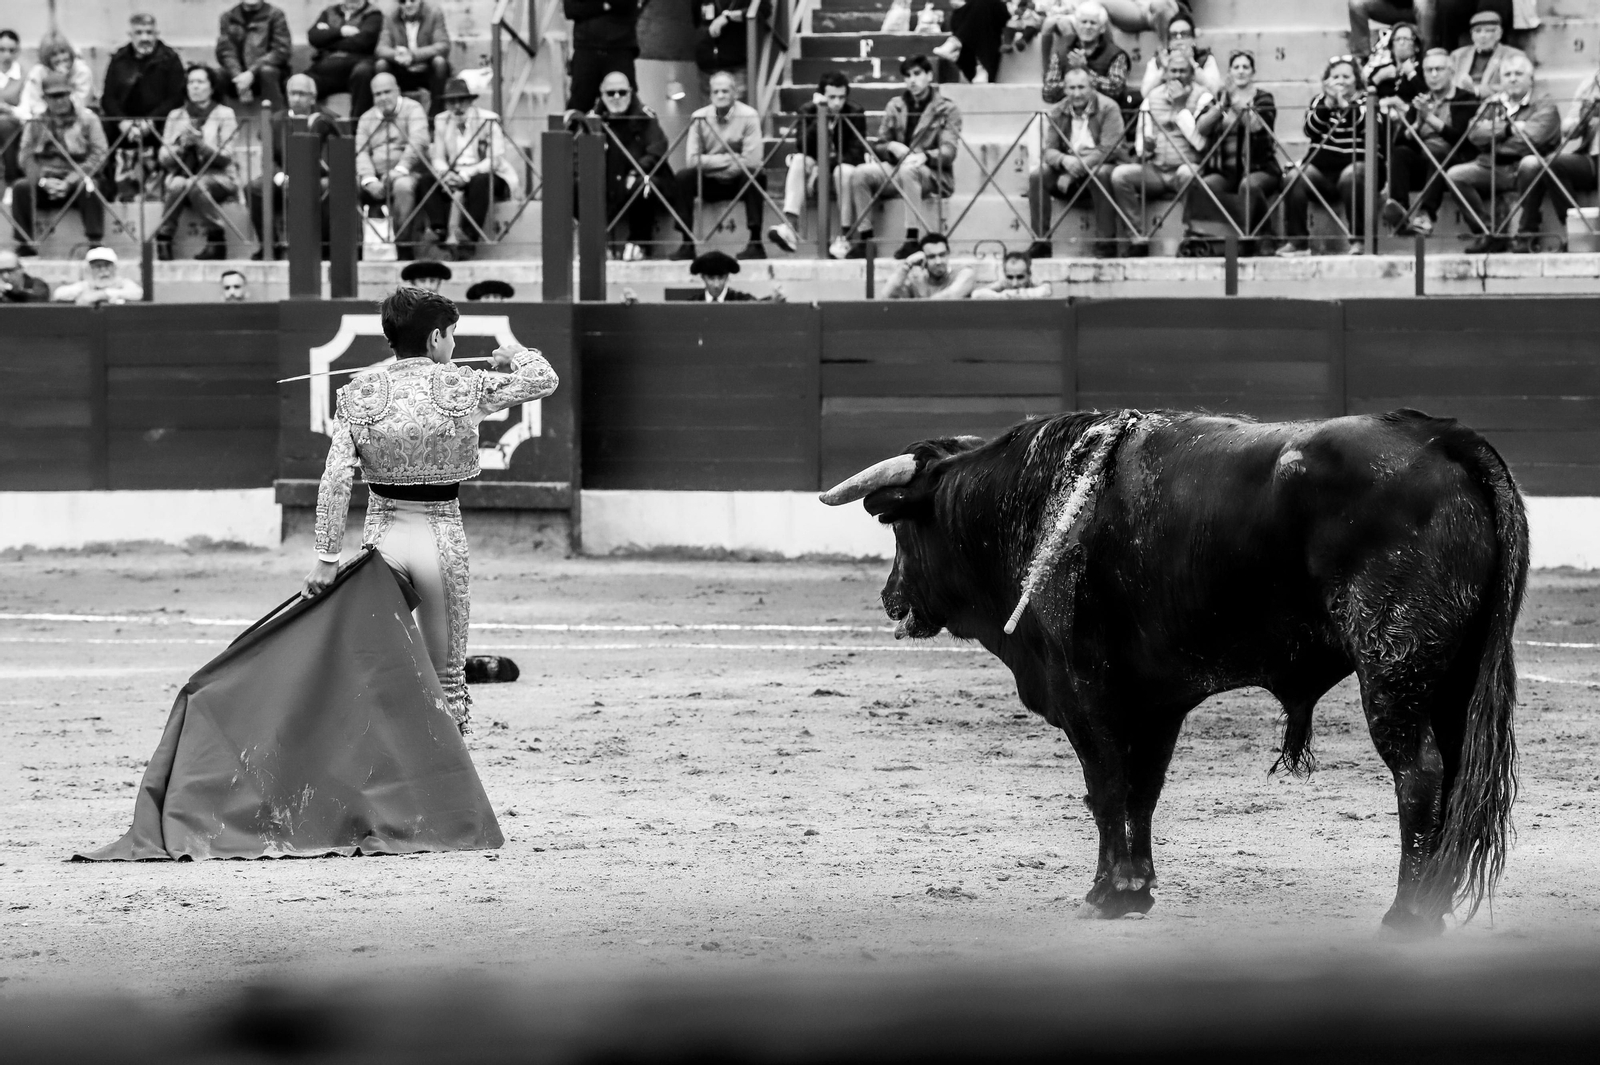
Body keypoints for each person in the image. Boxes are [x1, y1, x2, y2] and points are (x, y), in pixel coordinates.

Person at [305, 285, 559, 730]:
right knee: (449, 682)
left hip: (380, 543)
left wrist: (327, 558)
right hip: (441, 539)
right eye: (452, 334)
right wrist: (516, 354)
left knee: (375, 670)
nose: (454, 344)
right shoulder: (464, 385)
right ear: (435, 337)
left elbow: (337, 478)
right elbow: (544, 379)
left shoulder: (358, 393)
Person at [846, 54, 962, 259]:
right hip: (897, 168)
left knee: (910, 170)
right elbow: (879, 145)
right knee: (860, 173)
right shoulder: (895, 105)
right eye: (907, 76)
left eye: (917, 74)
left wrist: (925, 156)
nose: (912, 80)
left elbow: (949, 151)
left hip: (932, 173)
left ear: (929, 75)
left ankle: (912, 239)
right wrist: (892, 147)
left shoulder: (947, 108)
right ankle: (865, 240)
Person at [1444, 51, 1557, 253]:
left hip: (1524, 166)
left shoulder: (1545, 103)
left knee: (1531, 163)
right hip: (1492, 165)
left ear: (1530, 78)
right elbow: (1473, 133)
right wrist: (1508, 130)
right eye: (1507, 74)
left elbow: (1532, 140)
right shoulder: (1493, 102)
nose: (1512, 78)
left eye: (1518, 74)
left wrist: (1492, 139)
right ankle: (1487, 232)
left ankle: (1527, 234)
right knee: (1455, 175)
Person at [1109, 49, 1209, 257]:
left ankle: (1192, 237)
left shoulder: (1203, 97)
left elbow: (1201, 144)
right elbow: (1140, 144)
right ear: (1165, 73)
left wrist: (1180, 109)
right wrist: (1145, 149)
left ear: (1191, 74)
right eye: (1173, 71)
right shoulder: (1151, 98)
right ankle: (1137, 238)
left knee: (1188, 173)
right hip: (1156, 170)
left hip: (1186, 167)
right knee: (1120, 175)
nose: (1177, 76)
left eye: (1183, 71)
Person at [672, 70, 770, 261]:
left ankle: (756, 243)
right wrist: (732, 159)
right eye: (716, 92)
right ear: (710, 95)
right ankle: (686, 243)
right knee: (683, 177)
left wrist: (711, 161)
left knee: (755, 175)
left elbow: (752, 161)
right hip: (710, 181)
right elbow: (692, 160)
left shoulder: (749, 115)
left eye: (725, 91)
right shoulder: (699, 117)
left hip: (739, 181)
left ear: (735, 93)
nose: (720, 95)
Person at [1379, 47, 1477, 237]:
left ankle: (1426, 214)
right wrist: (1417, 123)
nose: (1433, 75)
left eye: (1439, 69)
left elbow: (1463, 139)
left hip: (1453, 161)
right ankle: (1400, 209)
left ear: (1451, 72)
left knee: (1437, 153)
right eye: (1428, 70)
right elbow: (1401, 140)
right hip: (1424, 162)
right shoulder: (1421, 100)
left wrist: (1430, 118)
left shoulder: (1465, 99)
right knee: (1400, 153)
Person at [1027, 65, 1123, 259]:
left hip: (1098, 165)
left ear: (1092, 87)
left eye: (1081, 87)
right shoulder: (1058, 110)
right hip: (1068, 164)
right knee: (1038, 175)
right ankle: (1041, 241)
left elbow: (1110, 149)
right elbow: (1049, 151)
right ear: (1064, 89)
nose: (1077, 93)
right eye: (1072, 88)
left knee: (1101, 173)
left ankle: (1106, 242)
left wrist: (1074, 169)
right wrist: (1064, 160)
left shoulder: (1108, 107)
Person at [9, 71, 108, 257]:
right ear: (45, 98)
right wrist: (42, 180)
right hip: (45, 181)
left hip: (77, 179)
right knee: (20, 188)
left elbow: (100, 153)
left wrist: (71, 180)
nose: (59, 101)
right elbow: (25, 156)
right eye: (54, 96)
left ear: (70, 94)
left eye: (63, 95)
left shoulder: (88, 119)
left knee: (90, 186)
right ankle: (25, 243)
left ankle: (95, 243)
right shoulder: (36, 122)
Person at [767, 71, 867, 255]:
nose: (837, 103)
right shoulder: (808, 110)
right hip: (813, 162)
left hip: (840, 166)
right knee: (799, 160)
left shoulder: (855, 112)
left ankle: (845, 237)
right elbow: (802, 145)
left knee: (844, 171)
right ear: (821, 95)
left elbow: (856, 153)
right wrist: (821, 115)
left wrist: (824, 168)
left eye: (841, 97)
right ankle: (790, 226)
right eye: (831, 97)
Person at [1191, 49, 1280, 256]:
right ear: (1229, 72)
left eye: (1245, 67)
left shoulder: (1264, 98)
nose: (1241, 71)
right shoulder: (1219, 98)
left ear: (1253, 72)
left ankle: (1261, 237)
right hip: (1225, 171)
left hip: (1259, 168)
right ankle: (1208, 240)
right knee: (1205, 185)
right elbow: (1201, 128)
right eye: (1236, 67)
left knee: (1249, 186)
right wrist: (1222, 106)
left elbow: (1257, 126)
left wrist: (1237, 102)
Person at [1279, 56, 1369, 256]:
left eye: (1346, 76)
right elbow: (1310, 130)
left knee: (1351, 176)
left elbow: (1367, 128)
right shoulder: (1319, 102)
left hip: (1356, 168)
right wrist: (1328, 104)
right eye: (1335, 77)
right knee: (1294, 176)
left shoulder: (1367, 101)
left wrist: (1344, 105)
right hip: (1321, 171)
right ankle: (1298, 242)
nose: (1340, 81)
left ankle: (1359, 240)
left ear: (1356, 79)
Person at [249, 73, 342, 258]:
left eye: (302, 94)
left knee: (328, 186)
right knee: (255, 188)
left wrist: (303, 178)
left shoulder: (328, 119)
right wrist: (280, 177)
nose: (296, 98)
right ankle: (270, 246)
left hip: (316, 177)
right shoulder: (275, 120)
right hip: (283, 176)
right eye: (292, 93)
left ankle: (322, 248)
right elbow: (268, 158)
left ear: (313, 97)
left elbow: (331, 160)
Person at [423, 78, 517, 261]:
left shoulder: (488, 120)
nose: (457, 106)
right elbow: (438, 158)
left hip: (487, 173)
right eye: (452, 102)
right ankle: (439, 230)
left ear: (470, 101)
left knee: (481, 180)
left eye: (462, 101)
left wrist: (466, 175)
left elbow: (495, 159)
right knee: (426, 180)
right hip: (455, 173)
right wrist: (446, 174)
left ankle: (469, 236)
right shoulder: (442, 120)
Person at [155, 65, 240, 261]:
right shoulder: (176, 116)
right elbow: (164, 158)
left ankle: (216, 240)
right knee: (177, 184)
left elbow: (226, 156)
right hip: (182, 175)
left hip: (219, 177)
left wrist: (200, 145)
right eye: (191, 82)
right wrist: (180, 147)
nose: (195, 87)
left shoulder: (225, 114)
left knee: (195, 184)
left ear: (212, 87)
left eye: (200, 82)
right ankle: (164, 238)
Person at [1513, 60, 1600, 251]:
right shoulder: (1590, 84)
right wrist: (1580, 120)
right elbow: (1570, 131)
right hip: (1592, 158)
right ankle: (1576, 231)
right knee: (1552, 163)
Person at [587, 70, 673, 261]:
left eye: (622, 92)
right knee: (578, 185)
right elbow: (578, 155)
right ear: (602, 95)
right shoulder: (591, 120)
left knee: (645, 185)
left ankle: (639, 244)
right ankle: (595, 244)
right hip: (606, 180)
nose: (616, 97)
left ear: (631, 92)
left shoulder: (645, 116)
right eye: (611, 93)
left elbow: (657, 150)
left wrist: (635, 172)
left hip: (639, 179)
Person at [100, 14, 186, 202]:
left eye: (149, 32)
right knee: (102, 131)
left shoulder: (170, 59)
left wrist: (151, 121)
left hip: (159, 123)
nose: (144, 38)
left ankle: (166, 192)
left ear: (157, 33)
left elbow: (176, 97)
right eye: (139, 33)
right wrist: (123, 122)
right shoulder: (119, 59)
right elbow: (108, 98)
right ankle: (109, 191)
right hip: (124, 125)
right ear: (130, 35)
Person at [356, 71, 432, 258]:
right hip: (375, 175)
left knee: (402, 187)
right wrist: (369, 180)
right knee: (344, 187)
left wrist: (400, 169)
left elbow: (419, 142)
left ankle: (402, 246)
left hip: (408, 172)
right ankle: (356, 247)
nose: (383, 98)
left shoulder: (413, 109)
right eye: (377, 94)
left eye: (387, 92)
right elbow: (360, 152)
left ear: (397, 90)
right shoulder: (366, 118)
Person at [1041, 2, 1133, 109]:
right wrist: (1071, 83)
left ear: (1102, 28)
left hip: (1105, 114)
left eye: (1093, 23)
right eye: (1083, 22)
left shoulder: (1116, 54)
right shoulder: (1061, 53)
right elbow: (1048, 93)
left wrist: (1086, 70)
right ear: (1076, 26)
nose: (1088, 26)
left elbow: (1116, 91)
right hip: (1068, 114)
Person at [309, 0, 385, 118]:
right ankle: (319, 123)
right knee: (298, 82)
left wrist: (327, 38)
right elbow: (313, 36)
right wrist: (341, 31)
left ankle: (358, 124)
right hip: (326, 68)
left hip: (354, 66)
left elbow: (363, 42)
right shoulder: (329, 11)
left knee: (364, 72)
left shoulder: (373, 13)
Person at [377, 0, 452, 117]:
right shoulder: (390, 15)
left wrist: (413, 55)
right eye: (403, 1)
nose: (408, 4)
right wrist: (397, 54)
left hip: (426, 68)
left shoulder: (434, 13)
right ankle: (387, 113)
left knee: (440, 63)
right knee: (381, 65)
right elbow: (381, 49)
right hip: (401, 68)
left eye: (412, 0)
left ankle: (435, 116)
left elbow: (443, 45)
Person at [216, 0, 293, 110]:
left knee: (267, 72)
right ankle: (217, 117)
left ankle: (275, 116)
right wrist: (238, 78)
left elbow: (281, 50)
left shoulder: (275, 14)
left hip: (267, 69)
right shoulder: (228, 17)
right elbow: (226, 51)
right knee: (215, 76)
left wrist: (251, 72)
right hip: (238, 73)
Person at [565, 0, 640, 112]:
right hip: (586, 50)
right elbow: (571, 9)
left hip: (620, 49)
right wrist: (604, 5)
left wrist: (591, 6)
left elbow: (627, 4)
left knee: (625, 104)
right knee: (578, 105)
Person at [1447, 10, 1526, 98]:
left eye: (1488, 31)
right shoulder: (1458, 55)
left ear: (1499, 33)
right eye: (1477, 31)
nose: (1482, 35)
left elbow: (1516, 86)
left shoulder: (1514, 55)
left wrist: (1476, 90)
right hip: (1459, 103)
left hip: (1494, 103)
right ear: (1472, 35)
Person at [1138, 16, 1222, 98]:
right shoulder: (1159, 60)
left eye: (1184, 34)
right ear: (1169, 41)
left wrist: (1193, 64)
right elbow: (1145, 93)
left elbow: (1214, 90)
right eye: (1174, 35)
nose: (1179, 38)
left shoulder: (1204, 58)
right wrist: (1164, 69)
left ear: (1193, 38)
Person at [18, 32, 95, 117]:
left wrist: (63, 79)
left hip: (75, 117)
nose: (60, 58)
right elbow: (31, 101)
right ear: (46, 58)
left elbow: (80, 103)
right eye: (54, 55)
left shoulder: (82, 71)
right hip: (44, 117)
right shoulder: (38, 71)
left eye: (63, 52)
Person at [885, 231, 976, 299]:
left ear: (948, 254)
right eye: (932, 257)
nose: (938, 261)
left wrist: (920, 306)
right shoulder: (916, 281)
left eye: (942, 255)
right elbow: (886, 297)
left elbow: (951, 295)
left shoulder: (963, 274)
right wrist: (906, 266)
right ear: (923, 258)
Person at [693, 0, 755, 100]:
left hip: (736, 64)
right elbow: (697, 21)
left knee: (737, 106)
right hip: (707, 65)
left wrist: (728, 16)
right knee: (709, 108)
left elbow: (762, 10)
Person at [946, 0, 1012, 85]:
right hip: (987, 17)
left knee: (981, 5)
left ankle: (955, 43)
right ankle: (981, 67)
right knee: (964, 12)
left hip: (1008, 14)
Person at [51, 246, 143, 304]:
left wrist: (102, 294)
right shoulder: (86, 285)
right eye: (98, 266)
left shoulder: (122, 283)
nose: (103, 270)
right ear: (90, 269)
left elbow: (138, 293)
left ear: (114, 267)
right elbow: (59, 294)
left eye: (107, 266)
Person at [1348, 0, 1436, 57]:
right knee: (1356, 3)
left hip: (1419, 7)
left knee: (1423, 3)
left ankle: (1427, 55)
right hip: (1389, 5)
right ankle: (1361, 58)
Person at [1365, 22, 1425, 102]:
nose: (1401, 43)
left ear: (1416, 46)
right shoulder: (1380, 70)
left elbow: (1428, 96)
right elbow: (1364, 99)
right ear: (1391, 46)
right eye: (1397, 39)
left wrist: (1412, 75)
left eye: (1406, 39)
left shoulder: (1424, 68)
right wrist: (1378, 78)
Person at [972, 248, 1052, 298]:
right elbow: (976, 294)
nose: (1014, 284)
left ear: (1029, 274)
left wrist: (1011, 294)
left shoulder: (1035, 283)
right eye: (1010, 277)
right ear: (1004, 274)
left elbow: (1046, 290)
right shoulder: (1003, 283)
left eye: (1020, 277)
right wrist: (1001, 296)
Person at [689, 248, 764, 301]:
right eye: (711, 278)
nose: (716, 285)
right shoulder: (693, 303)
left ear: (727, 277)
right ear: (703, 277)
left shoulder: (743, 301)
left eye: (721, 278)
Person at [0, 30, 22, 183]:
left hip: (14, 123)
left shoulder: (25, 75)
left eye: (11, 50)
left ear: (18, 51)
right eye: (1, 50)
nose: (6, 55)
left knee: (4, 125)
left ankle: (10, 180)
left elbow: (27, 110)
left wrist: (7, 109)